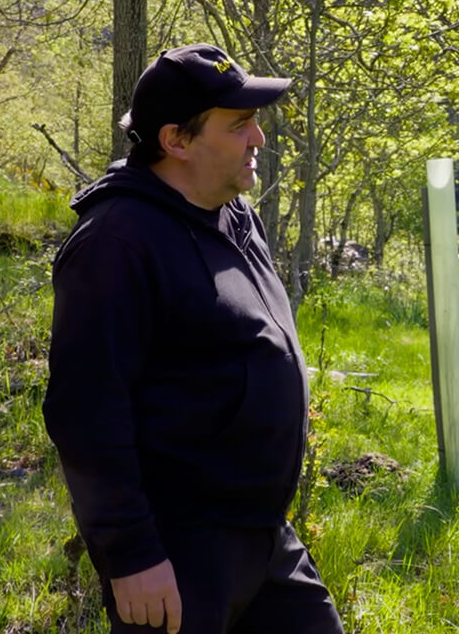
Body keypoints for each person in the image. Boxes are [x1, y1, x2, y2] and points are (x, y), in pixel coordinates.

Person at [43, 44, 344, 634]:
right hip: (177, 556)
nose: (258, 138)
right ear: (176, 140)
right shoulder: (116, 244)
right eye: (238, 125)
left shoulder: (235, 214)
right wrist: (131, 555)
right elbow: (85, 413)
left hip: (262, 536)